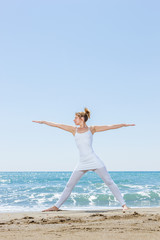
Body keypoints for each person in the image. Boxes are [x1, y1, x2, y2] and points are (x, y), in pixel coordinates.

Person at [32, 107, 135, 212]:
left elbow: (109, 127)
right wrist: (44, 122)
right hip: (82, 162)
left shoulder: (92, 129)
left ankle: (124, 205)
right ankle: (56, 207)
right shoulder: (73, 130)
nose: (73, 120)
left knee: (109, 182)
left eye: (75, 118)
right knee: (69, 185)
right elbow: (58, 125)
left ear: (81, 118)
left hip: (94, 160)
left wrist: (123, 125)